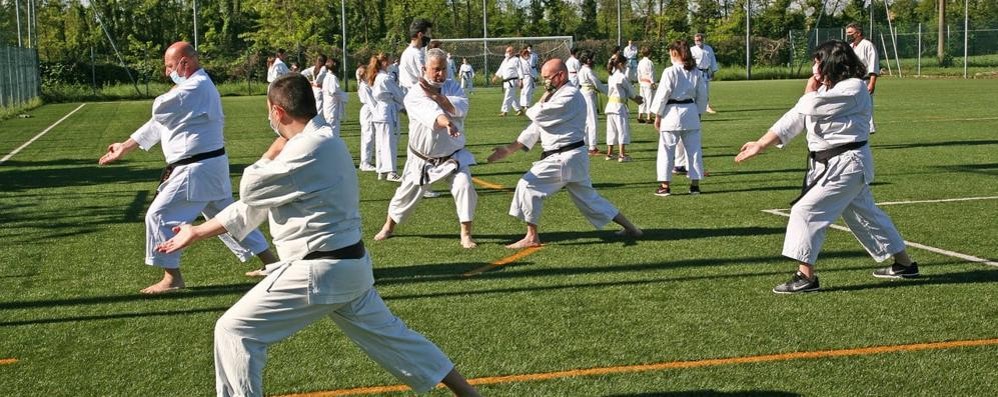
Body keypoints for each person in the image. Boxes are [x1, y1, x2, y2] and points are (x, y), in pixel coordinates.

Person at [154, 74, 481, 397]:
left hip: (319, 270)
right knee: (397, 339)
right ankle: (468, 393)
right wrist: (197, 231)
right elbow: (253, 206)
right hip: (348, 269)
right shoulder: (318, 139)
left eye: (270, 111)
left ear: (278, 113)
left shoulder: (310, 147)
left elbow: (250, 187)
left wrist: (273, 150)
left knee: (234, 331)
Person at [735, 40, 918, 294]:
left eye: (818, 61)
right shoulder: (825, 90)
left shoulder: (854, 87)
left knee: (805, 210)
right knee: (867, 216)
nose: (814, 67)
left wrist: (810, 88)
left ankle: (805, 276)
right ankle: (904, 264)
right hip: (833, 164)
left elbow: (808, 106)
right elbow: (796, 117)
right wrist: (761, 144)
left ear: (833, 63)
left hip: (847, 163)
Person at [98, 42, 278, 292]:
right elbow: (158, 124)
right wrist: (126, 146)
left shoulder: (195, 87)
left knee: (158, 215)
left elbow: (159, 109)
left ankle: (172, 278)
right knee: (226, 219)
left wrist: (176, 86)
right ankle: (272, 264)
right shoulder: (191, 89)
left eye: (170, 66)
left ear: (185, 63)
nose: (166, 72)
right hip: (206, 167)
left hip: (196, 169)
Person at [487, 59, 643, 249]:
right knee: (590, 199)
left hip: (564, 157)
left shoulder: (569, 95)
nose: (544, 82)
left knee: (528, 186)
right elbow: (535, 128)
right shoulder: (559, 94)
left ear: (560, 75)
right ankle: (631, 229)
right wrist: (509, 149)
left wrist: (544, 96)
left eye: (546, 78)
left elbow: (536, 114)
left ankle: (531, 237)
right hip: (571, 157)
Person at [374, 49, 478, 249]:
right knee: (404, 197)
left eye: (443, 69)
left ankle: (466, 234)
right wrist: (447, 122)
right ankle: (388, 226)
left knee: (464, 186)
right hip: (422, 159)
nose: (440, 74)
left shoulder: (453, 86)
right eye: (436, 69)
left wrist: (438, 97)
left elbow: (463, 107)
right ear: (424, 69)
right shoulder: (414, 94)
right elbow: (434, 115)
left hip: (452, 157)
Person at [649, 40, 708, 196]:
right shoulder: (696, 72)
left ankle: (665, 186)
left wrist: (657, 115)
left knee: (666, 151)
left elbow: (663, 95)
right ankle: (695, 185)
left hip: (671, 113)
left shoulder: (670, 71)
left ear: (674, 53)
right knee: (694, 150)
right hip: (690, 111)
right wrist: (699, 113)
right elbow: (702, 95)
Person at [366, 53, 405, 182]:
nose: (390, 63)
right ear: (384, 63)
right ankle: (391, 171)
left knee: (381, 142)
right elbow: (398, 94)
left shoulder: (377, 77)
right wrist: (404, 105)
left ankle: (381, 169)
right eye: (388, 61)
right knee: (389, 142)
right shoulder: (385, 78)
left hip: (379, 111)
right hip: (386, 111)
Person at [604, 54, 642, 163]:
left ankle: (610, 153)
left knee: (611, 130)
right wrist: (637, 98)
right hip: (619, 106)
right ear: (621, 64)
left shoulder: (611, 76)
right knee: (622, 130)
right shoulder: (621, 77)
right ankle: (622, 155)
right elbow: (631, 91)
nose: (625, 66)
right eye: (625, 64)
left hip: (610, 105)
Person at [845, 22, 880, 134]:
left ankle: (867, 130)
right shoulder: (850, 47)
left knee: (865, 107)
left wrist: (872, 82)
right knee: (851, 107)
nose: (848, 35)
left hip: (864, 80)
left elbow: (873, 65)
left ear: (858, 33)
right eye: (847, 33)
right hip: (851, 81)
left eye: (850, 33)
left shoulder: (867, 45)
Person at [576, 50, 606, 156]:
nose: (594, 60)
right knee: (592, 121)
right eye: (593, 58)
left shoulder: (582, 70)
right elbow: (597, 84)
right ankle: (592, 147)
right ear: (588, 60)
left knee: (586, 122)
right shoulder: (588, 71)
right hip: (588, 95)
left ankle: (585, 144)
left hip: (584, 93)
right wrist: (609, 92)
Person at [398, 18, 434, 93]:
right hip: (416, 93)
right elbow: (425, 77)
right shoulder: (417, 54)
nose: (430, 37)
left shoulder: (406, 52)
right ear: (420, 35)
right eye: (428, 34)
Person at [690, 33, 719, 114]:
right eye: (696, 40)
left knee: (705, 91)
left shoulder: (708, 49)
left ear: (703, 40)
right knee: (694, 90)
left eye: (699, 40)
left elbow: (713, 60)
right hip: (695, 72)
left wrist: (713, 71)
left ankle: (707, 106)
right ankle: (693, 106)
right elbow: (689, 61)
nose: (697, 42)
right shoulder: (692, 49)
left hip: (705, 72)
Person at [356, 63, 377, 172]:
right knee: (368, 136)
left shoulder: (366, 84)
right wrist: (378, 113)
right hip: (368, 111)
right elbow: (371, 102)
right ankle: (365, 162)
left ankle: (366, 161)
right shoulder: (364, 86)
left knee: (369, 136)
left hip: (368, 110)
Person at [321, 58, 348, 136]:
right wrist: (345, 96)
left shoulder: (328, 76)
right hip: (332, 107)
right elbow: (334, 92)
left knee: (331, 128)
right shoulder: (332, 78)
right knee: (333, 130)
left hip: (329, 106)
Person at [493, 46, 522, 116]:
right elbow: (501, 69)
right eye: (506, 51)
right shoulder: (505, 59)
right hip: (506, 81)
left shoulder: (516, 60)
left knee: (508, 96)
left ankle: (504, 111)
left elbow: (520, 70)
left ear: (513, 52)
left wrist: (521, 80)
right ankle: (519, 110)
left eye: (508, 51)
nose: (507, 53)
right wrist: (496, 77)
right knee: (513, 96)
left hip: (512, 81)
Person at [636, 46, 656, 124]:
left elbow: (639, 73)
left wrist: (639, 81)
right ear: (650, 54)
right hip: (648, 82)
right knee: (649, 99)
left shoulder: (640, 62)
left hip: (642, 82)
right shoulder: (649, 62)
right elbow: (651, 73)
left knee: (642, 100)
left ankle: (640, 115)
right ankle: (648, 116)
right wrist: (653, 82)